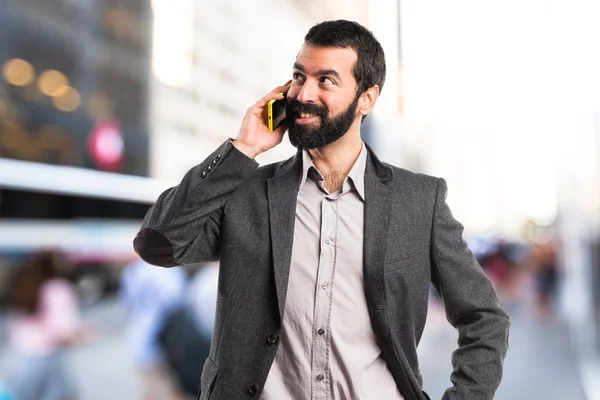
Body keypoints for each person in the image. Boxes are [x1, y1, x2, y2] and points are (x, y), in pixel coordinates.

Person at [134, 20, 510, 400]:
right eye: (299, 76)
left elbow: (484, 318)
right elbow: (157, 244)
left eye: (326, 80)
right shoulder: (246, 191)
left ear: (367, 98)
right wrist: (243, 148)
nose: (303, 93)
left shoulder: (419, 201)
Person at [3, 250, 91, 400]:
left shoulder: (26, 285)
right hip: (47, 361)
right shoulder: (58, 288)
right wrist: (85, 334)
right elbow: (64, 332)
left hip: (19, 358)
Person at [119, 257, 187, 400]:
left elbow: (127, 303)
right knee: (174, 390)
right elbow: (178, 305)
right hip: (166, 341)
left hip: (139, 337)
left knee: (151, 391)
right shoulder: (170, 271)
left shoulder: (132, 271)